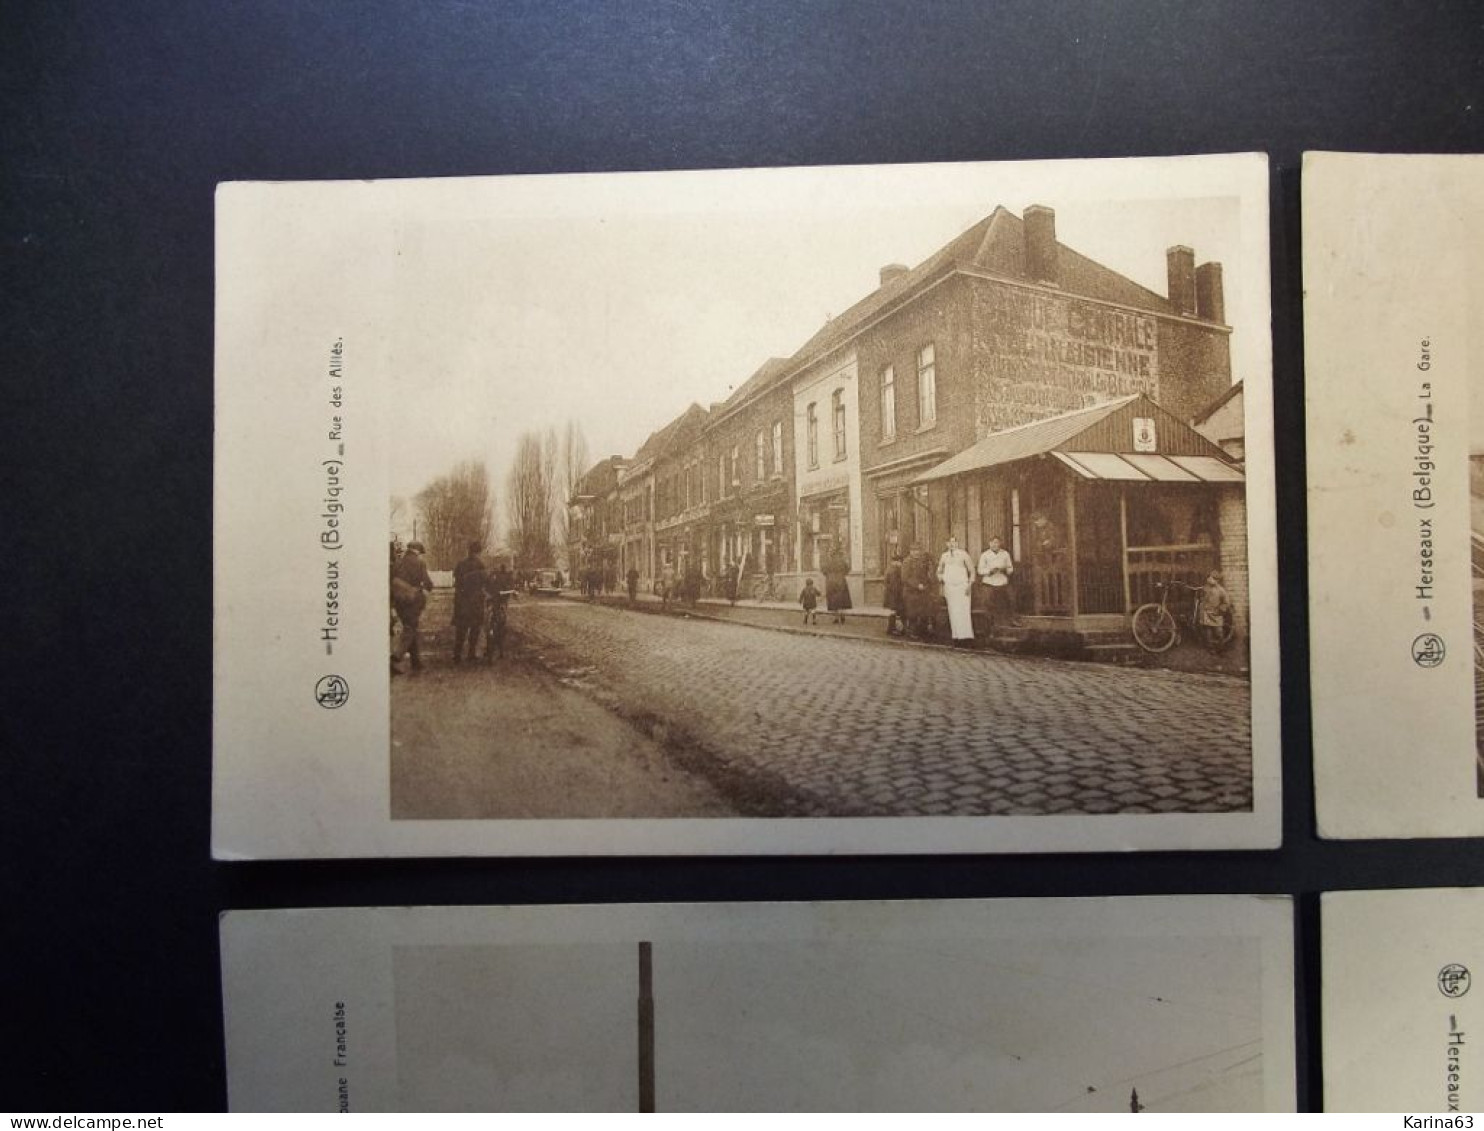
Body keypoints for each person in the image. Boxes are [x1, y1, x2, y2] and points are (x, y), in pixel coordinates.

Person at [390, 540, 434, 673]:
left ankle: (416, 662)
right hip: (412, 601)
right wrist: (427, 588)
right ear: (418, 551)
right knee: (410, 629)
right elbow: (427, 582)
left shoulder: (397, 563)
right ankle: (396, 657)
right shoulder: (420, 563)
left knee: (411, 627)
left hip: (399, 601)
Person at [450, 541, 489, 665]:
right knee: (475, 628)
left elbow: (456, 582)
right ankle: (471, 654)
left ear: (469, 551)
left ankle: (457, 655)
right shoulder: (481, 565)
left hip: (462, 601)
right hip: (475, 602)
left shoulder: (460, 564)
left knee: (461, 629)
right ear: (479, 552)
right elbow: (485, 583)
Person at [937, 535, 976, 646]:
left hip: (962, 586)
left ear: (958, 543)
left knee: (963, 611)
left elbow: (972, 571)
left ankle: (967, 638)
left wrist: (969, 585)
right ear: (946, 544)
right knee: (953, 611)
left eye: (954, 542)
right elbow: (939, 571)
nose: (952, 544)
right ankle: (956, 637)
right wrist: (942, 579)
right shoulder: (944, 556)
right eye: (949, 542)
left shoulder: (963, 555)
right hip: (950, 587)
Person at [976, 535, 1016, 632]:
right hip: (989, 583)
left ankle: (1011, 620)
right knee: (987, 602)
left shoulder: (1005, 554)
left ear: (1000, 543)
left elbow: (1010, 568)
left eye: (997, 542)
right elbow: (980, 570)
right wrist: (990, 571)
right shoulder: (984, 555)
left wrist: (1004, 570)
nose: (995, 544)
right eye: (992, 542)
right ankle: (990, 624)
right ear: (989, 544)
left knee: (1011, 598)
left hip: (1002, 581)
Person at [485, 561, 517, 662]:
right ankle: (496, 648)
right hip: (495, 601)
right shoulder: (502, 576)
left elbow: (511, 588)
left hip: (497, 601)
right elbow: (486, 586)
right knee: (493, 623)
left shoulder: (496, 575)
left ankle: (498, 648)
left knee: (498, 623)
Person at [902, 541, 935, 639]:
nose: (916, 552)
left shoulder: (922, 561)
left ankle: (922, 631)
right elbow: (905, 578)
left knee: (923, 612)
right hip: (910, 592)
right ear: (910, 551)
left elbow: (926, 575)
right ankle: (912, 632)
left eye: (918, 550)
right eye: (914, 550)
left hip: (923, 591)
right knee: (912, 613)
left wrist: (926, 584)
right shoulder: (907, 562)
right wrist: (917, 585)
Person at [1200, 570, 1233, 651]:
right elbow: (1202, 598)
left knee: (1219, 632)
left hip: (1216, 613)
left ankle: (1220, 648)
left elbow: (1226, 602)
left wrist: (1220, 610)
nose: (1209, 579)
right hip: (1206, 612)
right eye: (1209, 578)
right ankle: (1211, 648)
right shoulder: (1206, 588)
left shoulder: (1221, 590)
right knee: (1208, 631)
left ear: (1216, 580)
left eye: (1211, 578)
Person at [822, 544, 852, 624]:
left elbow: (824, 571)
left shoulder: (828, 561)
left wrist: (830, 575)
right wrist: (842, 575)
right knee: (842, 600)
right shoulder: (842, 560)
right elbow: (847, 569)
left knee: (833, 601)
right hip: (841, 581)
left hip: (831, 582)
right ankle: (842, 615)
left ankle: (836, 617)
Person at [883, 551, 906, 637]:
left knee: (893, 612)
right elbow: (894, 584)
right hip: (894, 594)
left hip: (891, 594)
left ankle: (892, 629)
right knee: (895, 612)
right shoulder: (895, 570)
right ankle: (892, 629)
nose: (900, 564)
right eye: (899, 562)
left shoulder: (889, 568)